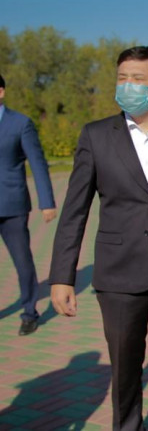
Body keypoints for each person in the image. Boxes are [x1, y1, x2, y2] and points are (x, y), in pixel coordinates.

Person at [49, 46, 148, 430]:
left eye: (137, 79)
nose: (127, 86)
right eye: (122, 78)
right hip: (119, 275)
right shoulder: (96, 136)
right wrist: (62, 277)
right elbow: (74, 211)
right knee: (124, 370)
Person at [0, 74, 57, 336]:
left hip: (12, 206)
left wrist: (47, 202)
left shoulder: (20, 123)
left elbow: (37, 163)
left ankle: (29, 312)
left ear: (1, 92)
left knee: (22, 261)